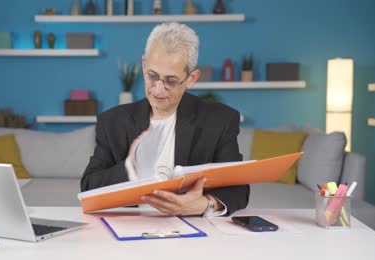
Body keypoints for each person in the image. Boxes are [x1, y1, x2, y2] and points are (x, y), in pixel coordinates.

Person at [81, 22, 249, 217]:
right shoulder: (112, 121)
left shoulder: (220, 120)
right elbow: (88, 187)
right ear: (144, 65)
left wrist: (205, 204)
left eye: (170, 81)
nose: (158, 89)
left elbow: (239, 189)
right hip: (130, 231)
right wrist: (132, 166)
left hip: (194, 232)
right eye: (152, 76)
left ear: (191, 79)